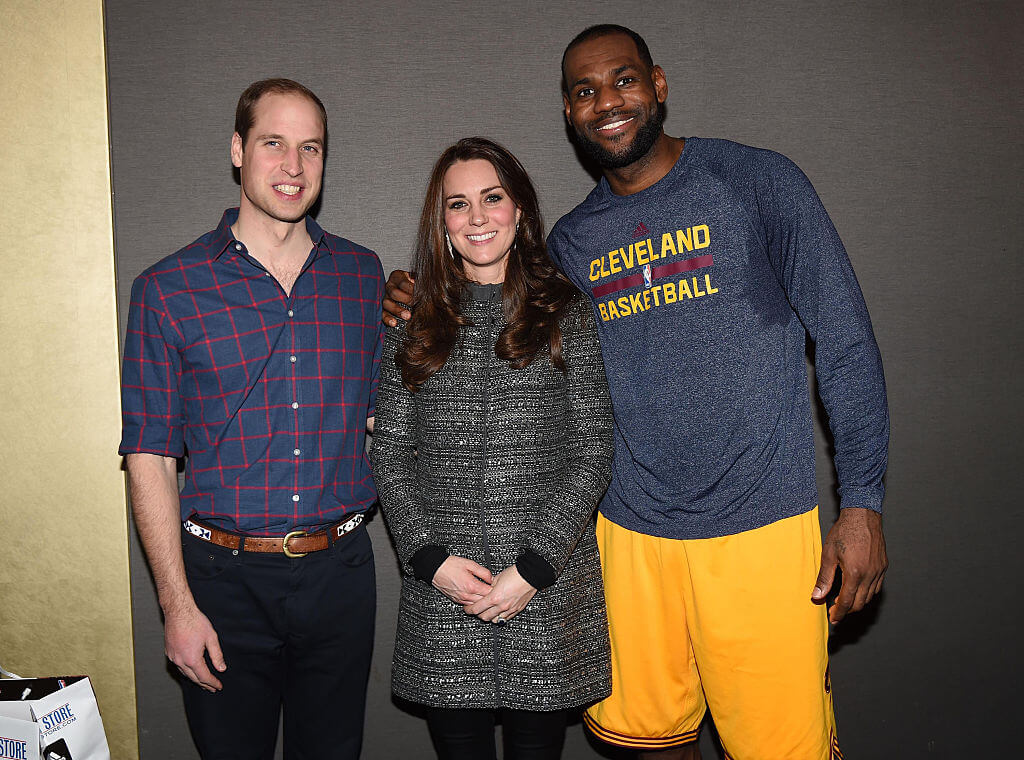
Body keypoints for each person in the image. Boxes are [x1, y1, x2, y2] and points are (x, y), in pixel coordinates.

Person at [382, 25, 889, 760]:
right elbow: (496, 306)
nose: (606, 102)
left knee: (786, 749)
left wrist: (864, 501)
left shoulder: (757, 182)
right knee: (645, 742)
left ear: (658, 83)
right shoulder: (574, 244)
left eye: (622, 80)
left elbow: (845, 341)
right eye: (584, 91)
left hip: (761, 527)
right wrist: (413, 292)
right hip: (629, 538)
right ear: (567, 111)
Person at [119, 78, 383, 759]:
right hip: (220, 582)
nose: (293, 166)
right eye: (274, 143)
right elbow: (148, 453)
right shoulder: (167, 290)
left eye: (310, 148)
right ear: (238, 150)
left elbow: (388, 413)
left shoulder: (362, 277)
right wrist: (176, 606)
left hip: (341, 575)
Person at [370, 137, 613, 760]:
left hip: (545, 588)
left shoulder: (565, 312)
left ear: (520, 211)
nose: (477, 217)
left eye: (492, 198)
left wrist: (535, 568)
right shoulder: (410, 322)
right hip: (445, 590)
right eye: (458, 204)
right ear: (442, 222)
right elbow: (390, 451)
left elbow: (594, 446)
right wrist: (429, 560)